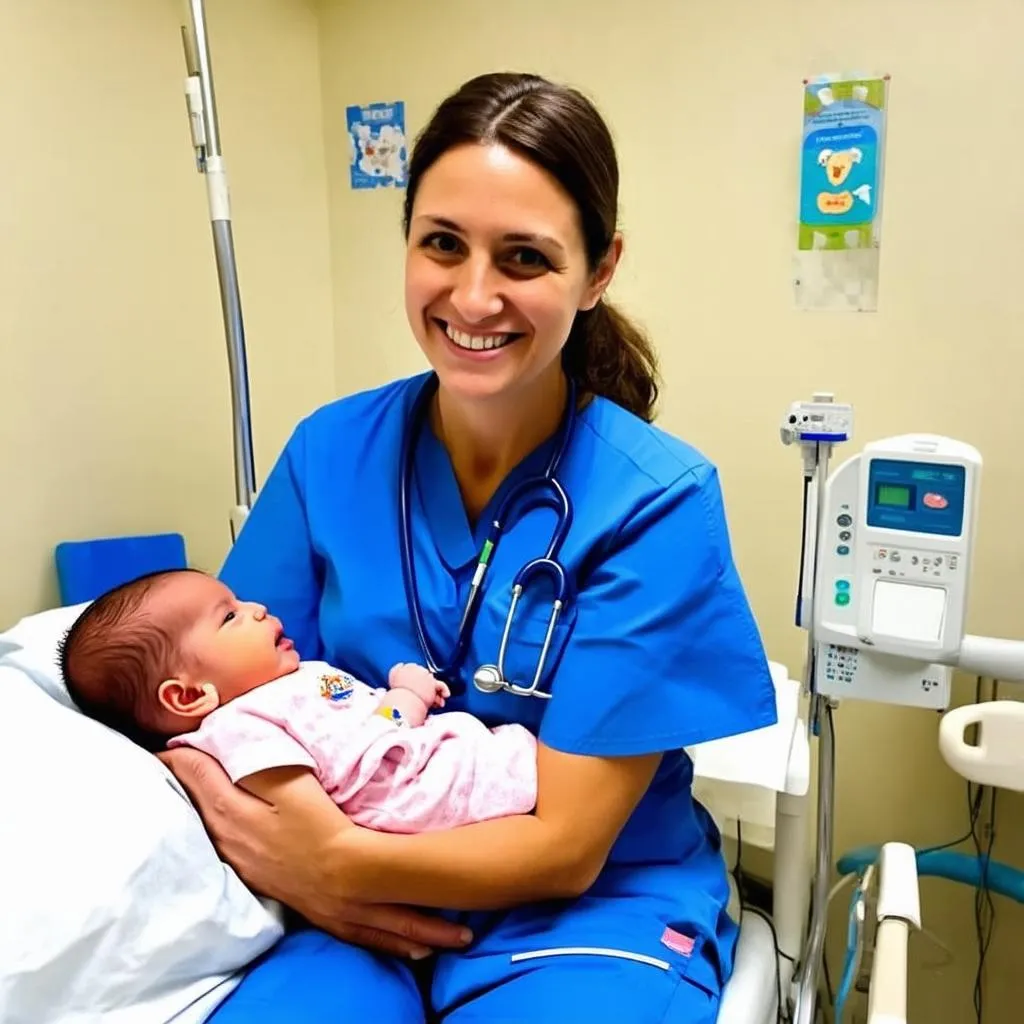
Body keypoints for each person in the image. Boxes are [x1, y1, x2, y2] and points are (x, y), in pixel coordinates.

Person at [160, 70, 778, 1023]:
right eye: (442, 244)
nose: (474, 295)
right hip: (343, 916)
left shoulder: (656, 499)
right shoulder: (330, 453)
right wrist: (313, 878)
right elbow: (212, 713)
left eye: (524, 258)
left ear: (599, 270)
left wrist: (330, 861)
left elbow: (565, 846)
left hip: (582, 912)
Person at [58, 568, 538, 834]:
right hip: (434, 801)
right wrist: (405, 697)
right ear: (188, 695)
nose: (257, 608)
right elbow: (358, 766)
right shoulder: (238, 727)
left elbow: (351, 720)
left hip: (452, 767)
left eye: (240, 601)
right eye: (229, 617)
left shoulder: (287, 682)